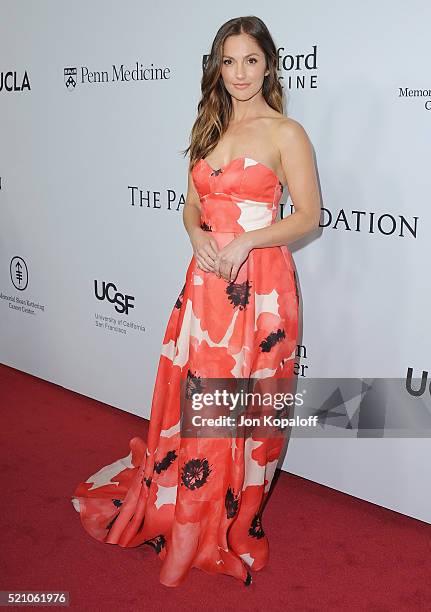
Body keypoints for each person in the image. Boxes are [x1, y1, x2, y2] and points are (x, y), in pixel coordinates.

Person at [71, 15, 320, 588]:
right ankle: (189, 513)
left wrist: (251, 239)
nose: (239, 73)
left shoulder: (286, 132)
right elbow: (192, 204)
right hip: (207, 285)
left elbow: (309, 216)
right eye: (228, 61)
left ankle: (229, 520)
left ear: (268, 64)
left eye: (250, 60)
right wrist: (197, 235)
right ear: (217, 66)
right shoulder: (208, 126)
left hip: (260, 290)